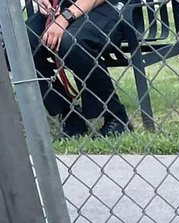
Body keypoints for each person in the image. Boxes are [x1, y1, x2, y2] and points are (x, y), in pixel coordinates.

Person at [26, 0, 136, 137]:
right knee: (20, 44)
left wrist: (65, 18)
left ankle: (115, 115)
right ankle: (69, 114)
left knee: (73, 41)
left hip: (107, 6)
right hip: (63, 5)